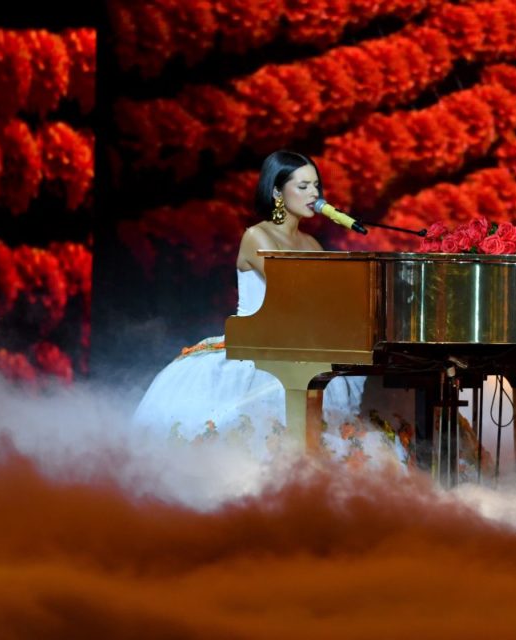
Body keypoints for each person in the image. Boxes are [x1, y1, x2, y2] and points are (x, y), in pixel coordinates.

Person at [132, 151, 408, 468]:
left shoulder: (312, 244)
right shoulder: (257, 236)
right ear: (277, 192)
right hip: (257, 353)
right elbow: (291, 294)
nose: (315, 195)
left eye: (316, 186)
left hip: (304, 352)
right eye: (303, 186)